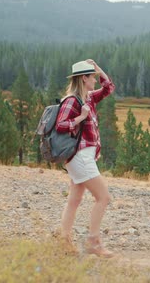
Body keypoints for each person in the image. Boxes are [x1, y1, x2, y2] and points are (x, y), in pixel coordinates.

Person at [55, 59, 115, 258]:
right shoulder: (72, 100)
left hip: (82, 157)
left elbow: (108, 88)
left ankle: (63, 241)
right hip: (80, 157)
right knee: (103, 197)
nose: (96, 81)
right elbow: (61, 125)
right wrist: (80, 117)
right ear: (83, 78)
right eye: (92, 77)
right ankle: (93, 242)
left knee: (75, 199)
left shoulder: (88, 97)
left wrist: (100, 69)